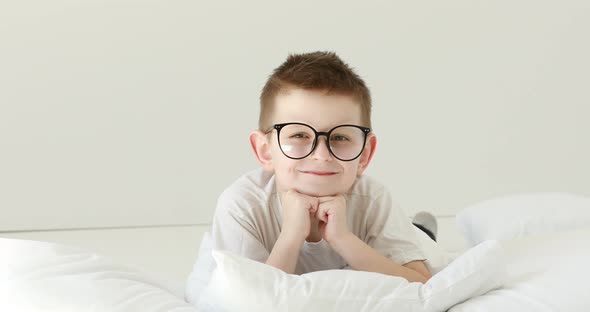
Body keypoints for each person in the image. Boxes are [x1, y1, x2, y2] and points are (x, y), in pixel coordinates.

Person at [203, 51, 435, 289]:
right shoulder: (242, 205)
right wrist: (291, 236)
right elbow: (249, 298)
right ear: (265, 150)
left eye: (340, 137)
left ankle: (422, 230)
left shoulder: (373, 199)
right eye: (299, 135)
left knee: (424, 241)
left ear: (365, 154)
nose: (321, 155)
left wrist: (343, 239)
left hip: (375, 241)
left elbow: (423, 285)